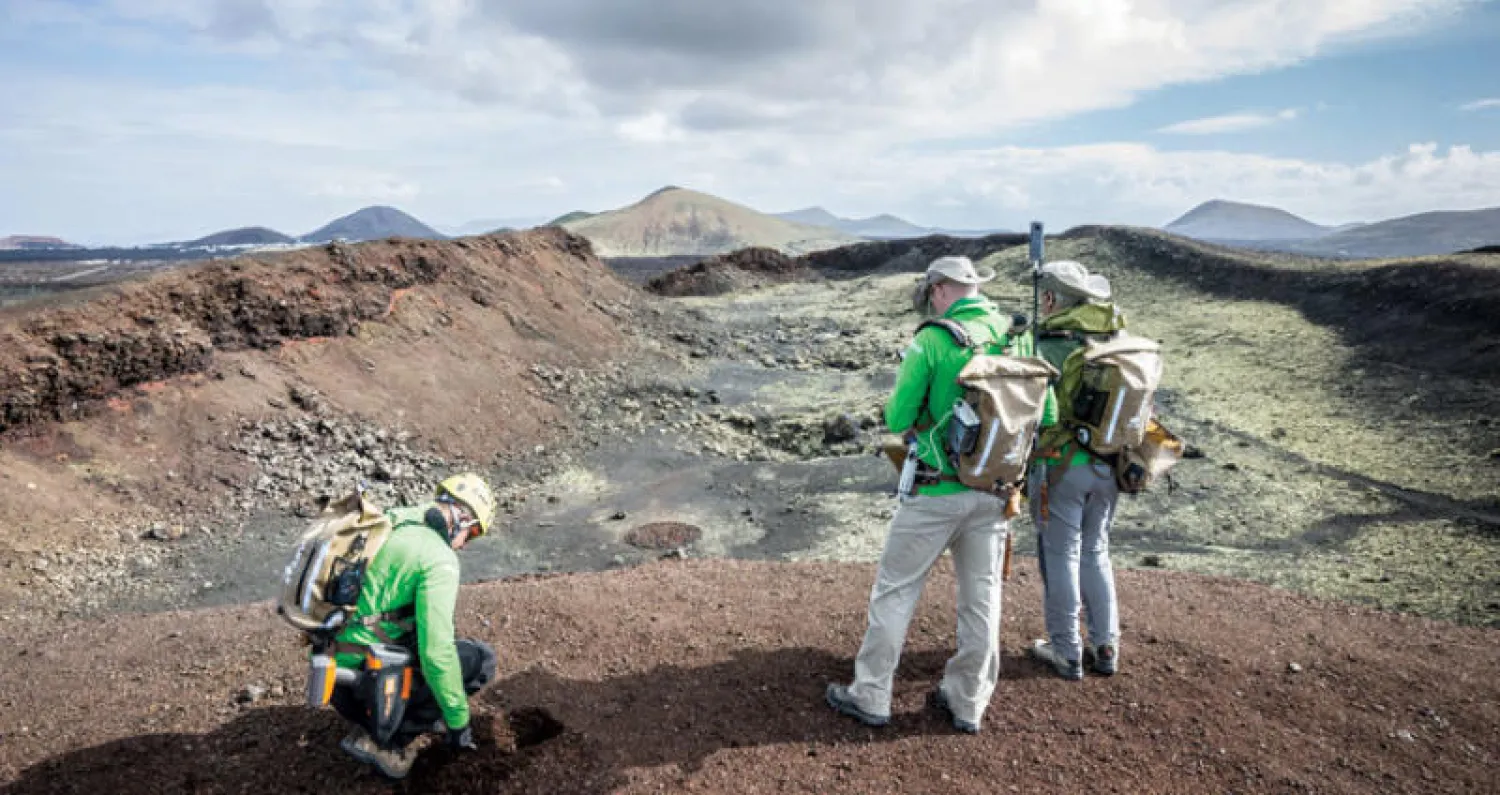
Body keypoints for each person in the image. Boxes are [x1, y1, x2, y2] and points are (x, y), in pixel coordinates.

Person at [826, 255, 1040, 735]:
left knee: (896, 590)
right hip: (995, 490)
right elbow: (1045, 416)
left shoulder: (933, 339)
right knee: (982, 598)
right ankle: (968, 702)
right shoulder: (1017, 337)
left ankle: (871, 694)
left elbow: (898, 418)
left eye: (931, 292)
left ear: (941, 289)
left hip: (935, 489)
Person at [331, 473, 500, 779]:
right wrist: (459, 724)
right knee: (479, 660)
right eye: (473, 533)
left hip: (335, 678)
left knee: (427, 638)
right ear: (463, 518)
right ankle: (387, 742)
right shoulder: (438, 558)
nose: (465, 545)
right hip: (368, 684)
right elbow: (437, 655)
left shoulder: (393, 521)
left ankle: (377, 720)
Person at [1026, 260, 1126, 680]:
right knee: (1096, 551)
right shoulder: (1113, 338)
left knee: (1062, 553)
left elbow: (1033, 411)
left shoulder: (1047, 345)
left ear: (1051, 298)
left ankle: (1066, 650)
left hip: (1060, 465)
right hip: (1110, 463)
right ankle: (1106, 645)